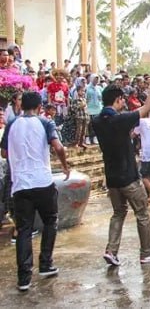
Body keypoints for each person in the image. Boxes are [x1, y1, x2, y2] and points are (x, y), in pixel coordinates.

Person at [1, 91, 70, 291]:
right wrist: (64, 166)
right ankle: (46, 264)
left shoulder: (12, 124)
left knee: (24, 229)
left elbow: (4, 152)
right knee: (50, 221)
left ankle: (24, 278)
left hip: (20, 184)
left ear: (22, 106)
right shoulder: (45, 122)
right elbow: (58, 147)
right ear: (40, 107)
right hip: (42, 181)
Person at [92, 83, 150, 266]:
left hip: (112, 178)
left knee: (118, 213)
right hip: (128, 177)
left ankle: (111, 251)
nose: (124, 103)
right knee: (142, 213)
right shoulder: (120, 119)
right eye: (122, 100)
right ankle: (147, 253)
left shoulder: (97, 121)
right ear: (117, 99)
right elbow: (147, 107)